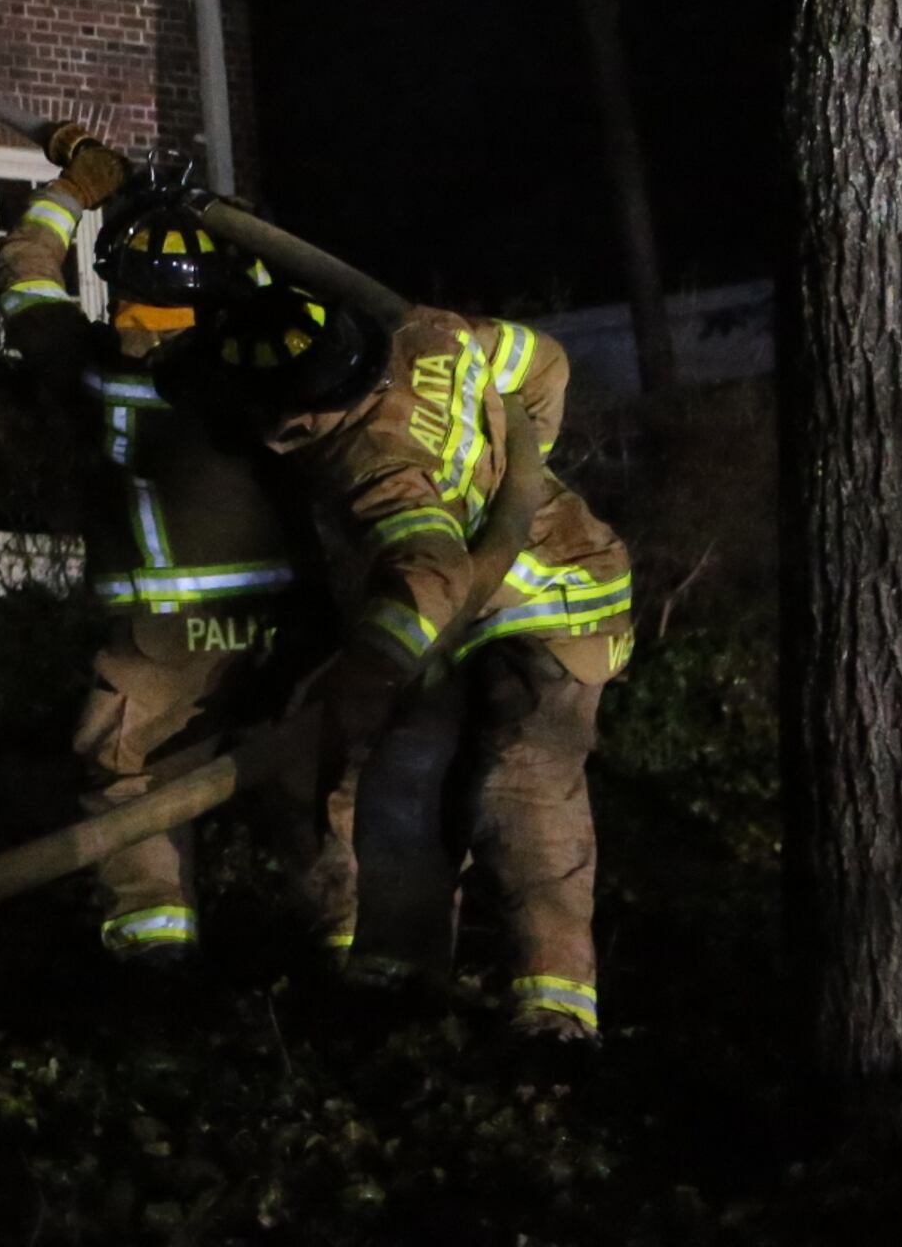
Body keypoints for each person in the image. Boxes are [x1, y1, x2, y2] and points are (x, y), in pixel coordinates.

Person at [230, 287, 637, 1040]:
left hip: (555, 604)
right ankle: (399, 970)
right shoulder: (430, 333)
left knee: (520, 789)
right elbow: (545, 365)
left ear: (300, 417)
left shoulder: (370, 460)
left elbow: (430, 568)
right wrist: (517, 471)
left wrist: (366, 677)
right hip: (470, 614)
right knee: (402, 777)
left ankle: (555, 1011)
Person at [0, 130, 332, 966]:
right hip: (280, 627)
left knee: (130, 784)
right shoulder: (266, 368)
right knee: (311, 787)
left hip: (159, 635)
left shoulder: (94, 367)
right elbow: (292, 291)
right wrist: (233, 225)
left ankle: (154, 960)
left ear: (118, 289)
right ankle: (355, 956)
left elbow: (22, 278)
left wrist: (71, 192)